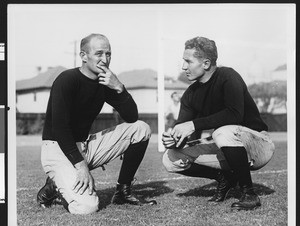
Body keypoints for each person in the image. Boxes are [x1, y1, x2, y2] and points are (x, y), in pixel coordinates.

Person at [37, 33, 152, 214]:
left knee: (141, 129)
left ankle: (122, 192)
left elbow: (132, 117)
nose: (105, 59)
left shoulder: (105, 82)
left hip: (84, 145)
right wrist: (81, 166)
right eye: (99, 53)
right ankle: (55, 187)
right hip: (57, 147)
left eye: (108, 54)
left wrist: (119, 88)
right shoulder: (67, 79)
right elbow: (59, 129)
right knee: (87, 207)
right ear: (83, 56)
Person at [162, 36, 275, 211]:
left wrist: (193, 124)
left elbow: (235, 114)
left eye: (188, 61)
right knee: (170, 158)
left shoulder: (228, 76)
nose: (183, 67)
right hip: (227, 146)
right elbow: (186, 132)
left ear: (206, 64)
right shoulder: (190, 94)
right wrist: (174, 139)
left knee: (222, 132)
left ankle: (249, 193)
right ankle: (224, 178)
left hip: (258, 145)